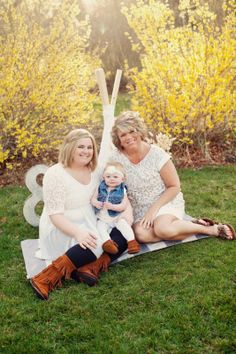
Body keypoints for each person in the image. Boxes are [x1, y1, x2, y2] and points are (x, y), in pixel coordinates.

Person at [30, 107, 128, 301]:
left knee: (123, 235)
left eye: (89, 147)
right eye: (81, 147)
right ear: (70, 148)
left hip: (89, 218)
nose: (86, 151)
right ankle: (45, 278)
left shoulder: (96, 170)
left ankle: (88, 268)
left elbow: (109, 150)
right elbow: (55, 215)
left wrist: (110, 118)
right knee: (94, 244)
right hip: (62, 225)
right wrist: (78, 232)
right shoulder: (56, 174)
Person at [109, 111, 235, 243]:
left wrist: (153, 210)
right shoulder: (115, 159)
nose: (129, 137)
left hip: (164, 201)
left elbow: (174, 186)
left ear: (140, 131)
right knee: (141, 235)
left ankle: (211, 229)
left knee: (163, 229)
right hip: (139, 209)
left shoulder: (156, 154)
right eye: (123, 134)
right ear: (118, 140)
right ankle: (188, 225)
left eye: (132, 131)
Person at [91, 161, 140, 255]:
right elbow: (93, 199)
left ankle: (132, 242)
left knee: (124, 225)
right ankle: (108, 243)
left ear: (122, 179)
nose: (111, 179)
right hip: (103, 217)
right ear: (103, 177)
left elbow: (123, 206)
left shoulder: (123, 190)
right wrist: (96, 203)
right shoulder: (100, 187)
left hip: (117, 217)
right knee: (100, 227)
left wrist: (113, 207)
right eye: (108, 176)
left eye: (115, 176)